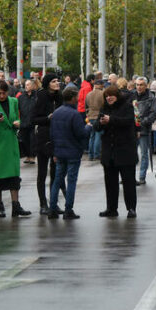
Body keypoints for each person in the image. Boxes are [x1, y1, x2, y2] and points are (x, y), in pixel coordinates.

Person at [0, 81, 31, 218]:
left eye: (4, 93)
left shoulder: (14, 101)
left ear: (8, 92)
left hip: (11, 142)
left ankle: (16, 206)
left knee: (14, 176)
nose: (1, 96)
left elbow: (18, 119)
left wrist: (18, 123)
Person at [48, 87, 92, 219]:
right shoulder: (75, 114)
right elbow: (81, 134)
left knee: (57, 180)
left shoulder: (56, 113)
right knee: (71, 181)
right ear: (73, 98)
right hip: (73, 152)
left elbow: (52, 134)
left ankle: (52, 209)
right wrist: (89, 127)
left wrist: (54, 152)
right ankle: (68, 210)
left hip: (59, 152)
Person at [98, 85, 138, 219]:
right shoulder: (104, 107)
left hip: (125, 151)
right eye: (106, 96)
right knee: (110, 183)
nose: (108, 98)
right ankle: (111, 208)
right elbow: (97, 126)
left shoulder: (127, 106)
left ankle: (131, 208)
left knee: (128, 182)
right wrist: (101, 122)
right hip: (109, 152)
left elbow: (128, 122)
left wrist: (111, 120)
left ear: (117, 95)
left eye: (111, 95)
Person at [32, 74, 64, 215]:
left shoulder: (60, 97)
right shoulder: (41, 97)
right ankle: (43, 203)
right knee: (42, 173)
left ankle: (53, 203)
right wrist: (48, 118)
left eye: (58, 81)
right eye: (53, 81)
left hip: (57, 136)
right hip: (43, 138)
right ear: (47, 83)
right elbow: (34, 119)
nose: (57, 83)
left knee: (56, 172)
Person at [133, 77, 156, 186]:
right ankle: (130, 177)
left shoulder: (151, 97)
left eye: (141, 84)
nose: (139, 87)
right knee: (132, 154)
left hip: (144, 129)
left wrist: (141, 122)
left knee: (144, 154)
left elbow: (153, 114)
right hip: (132, 129)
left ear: (146, 85)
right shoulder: (132, 95)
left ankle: (142, 177)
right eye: (137, 84)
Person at [17, 79, 38, 164]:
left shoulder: (37, 96)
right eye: (25, 84)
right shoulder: (21, 97)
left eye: (28, 84)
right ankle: (27, 156)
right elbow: (17, 109)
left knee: (33, 140)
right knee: (24, 140)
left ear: (33, 86)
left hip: (33, 123)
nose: (26, 86)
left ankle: (33, 156)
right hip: (24, 122)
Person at [85, 79, 105, 161]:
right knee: (98, 135)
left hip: (90, 116)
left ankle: (90, 154)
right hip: (98, 116)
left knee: (91, 136)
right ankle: (97, 154)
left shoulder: (89, 94)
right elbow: (104, 105)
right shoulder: (103, 94)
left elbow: (86, 105)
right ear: (100, 85)